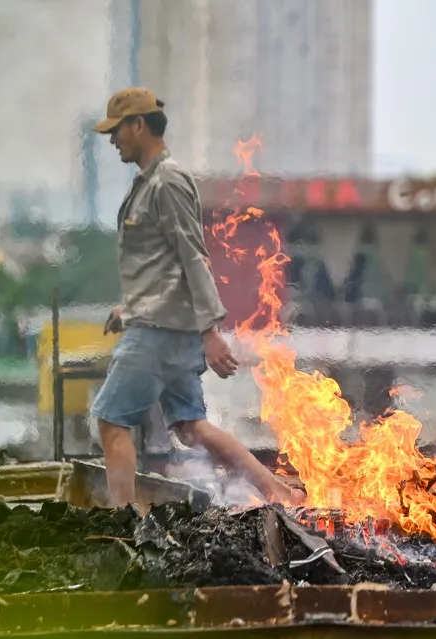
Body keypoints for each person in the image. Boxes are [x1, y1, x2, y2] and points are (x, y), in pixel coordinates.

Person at [89, 87, 303, 510]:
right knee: (191, 427)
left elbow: (193, 257)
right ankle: (276, 490)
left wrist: (211, 331)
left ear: (139, 125)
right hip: (160, 324)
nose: (114, 141)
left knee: (112, 421)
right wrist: (127, 308)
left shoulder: (166, 182)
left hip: (158, 334)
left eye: (118, 131)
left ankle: (123, 520)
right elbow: (162, 268)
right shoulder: (148, 183)